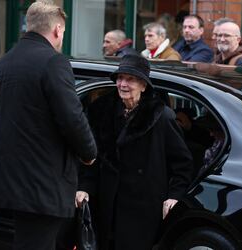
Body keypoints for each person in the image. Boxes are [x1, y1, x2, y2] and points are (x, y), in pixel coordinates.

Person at [0, 1, 97, 250]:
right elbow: (72, 118)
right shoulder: (53, 62)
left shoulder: (1, 65)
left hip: (9, 182)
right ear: (57, 29)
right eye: (63, 33)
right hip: (42, 186)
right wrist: (89, 153)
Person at [76, 54, 194, 250]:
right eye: (120, 78)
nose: (123, 84)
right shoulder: (101, 112)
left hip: (143, 208)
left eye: (130, 79)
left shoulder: (161, 118)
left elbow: (183, 163)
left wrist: (174, 196)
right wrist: (84, 187)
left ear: (143, 85)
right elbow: (90, 157)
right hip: (106, 205)